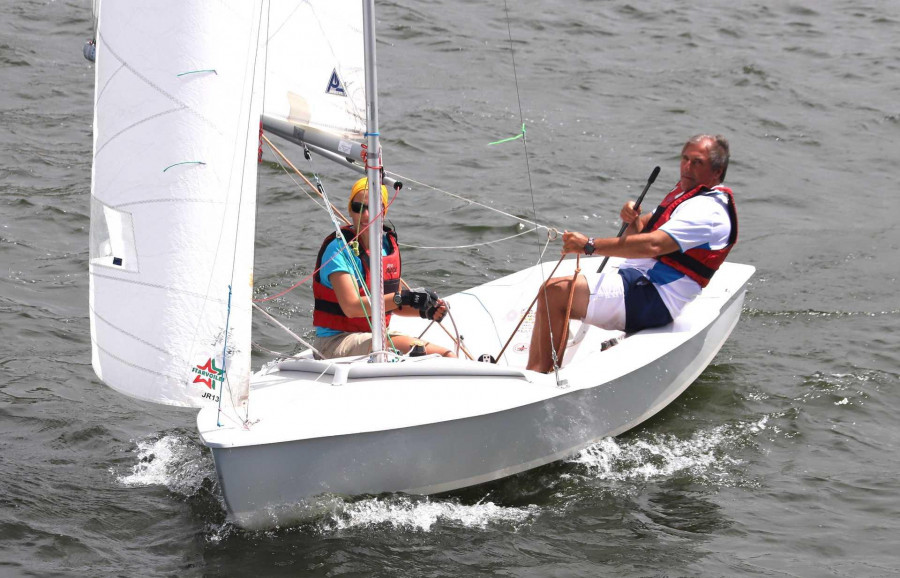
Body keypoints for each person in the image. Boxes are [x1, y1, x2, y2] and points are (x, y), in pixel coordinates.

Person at [527, 134, 738, 373]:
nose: (686, 167)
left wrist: (589, 245)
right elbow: (639, 234)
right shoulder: (687, 194)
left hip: (656, 297)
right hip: (638, 281)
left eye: (697, 162)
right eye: (684, 159)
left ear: (717, 171)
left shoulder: (709, 211)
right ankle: (543, 365)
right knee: (554, 291)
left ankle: (537, 378)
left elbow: (653, 245)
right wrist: (633, 219)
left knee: (555, 292)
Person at [312, 177, 457, 359]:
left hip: (375, 336)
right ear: (350, 210)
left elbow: (394, 306)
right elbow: (352, 307)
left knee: (447, 354)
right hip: (336, 342)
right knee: (444, 356)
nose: (365, 215)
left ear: (384, 211)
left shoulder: (386, 248)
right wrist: (404, 297)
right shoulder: (338, 249)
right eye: (359, 208)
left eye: (373, 208)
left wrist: (425, 309)